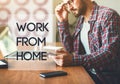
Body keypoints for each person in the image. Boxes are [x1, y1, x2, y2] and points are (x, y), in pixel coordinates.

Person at [54, 0, 120, 84]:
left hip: (104, 79)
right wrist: (62, 21)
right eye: (67, 4)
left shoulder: (108, 16)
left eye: (71, 1)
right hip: (86, 72)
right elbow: (70, 49)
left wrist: (74, 60)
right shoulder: (81, 20)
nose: (70, 8)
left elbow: (109, 53)